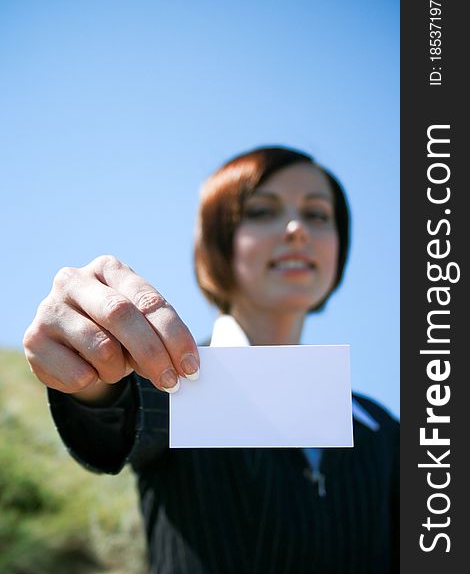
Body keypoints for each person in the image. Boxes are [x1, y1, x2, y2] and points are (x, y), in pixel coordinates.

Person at [23, 146, 399, 573]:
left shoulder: (385, 431)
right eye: (262, 211)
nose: (297, 229)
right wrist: (90, 365)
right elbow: (115, 405)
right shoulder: (171, 376)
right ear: (219, 238)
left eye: (317, 215)